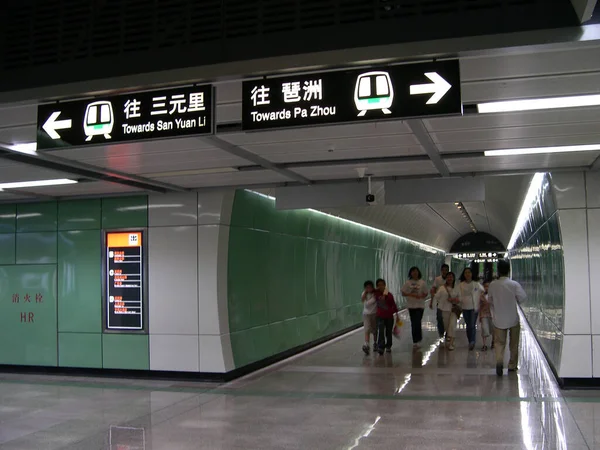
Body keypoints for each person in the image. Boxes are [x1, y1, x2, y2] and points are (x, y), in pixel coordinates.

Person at [488, 260, 527, 376]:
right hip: (513, 318)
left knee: (499, 343)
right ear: (509, 270)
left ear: (498, 271)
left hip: (498, 319)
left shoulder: (492, 284)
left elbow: (489, 300)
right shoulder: (514, 284)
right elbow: (523, 298)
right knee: (514, 344)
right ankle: (512, 365)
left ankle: (499, 361)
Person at [401, 266, 429, 349]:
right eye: (413, 272)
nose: (415, 273)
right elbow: (403, 293)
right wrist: (411, 294)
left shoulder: (422, 283)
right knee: (415, 322)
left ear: (418, 272)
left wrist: (422, 296)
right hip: (411, 306)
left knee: (418, 322)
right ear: (410, 273)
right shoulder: (408, 283)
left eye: (416, 271)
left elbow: (426, 293)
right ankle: (415, 340)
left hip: (420, 305)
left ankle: (418, 337)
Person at [434, 272, 461, 350]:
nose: (450, 278)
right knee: (446, 326)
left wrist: (455, 300)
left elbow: (460, 297)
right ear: (446, 278)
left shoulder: (457, 287)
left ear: (453, 278)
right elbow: (437, 297)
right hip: (444, 309)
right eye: (448, 277)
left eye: (451, 277)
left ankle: (451, 343)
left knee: (452, 326)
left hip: (454, 310)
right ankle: (448, 338)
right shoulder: (442, 288)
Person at [459, 268, 484, 351]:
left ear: (472, 274)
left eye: (469, 272)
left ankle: (472, 342)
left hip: (474, 307)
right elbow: (457, 294)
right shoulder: (461, 285)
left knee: (472, 325)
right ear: (464, 274)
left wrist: (481, 298)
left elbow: (483, 290)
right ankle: (470, 340)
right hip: (465, 307)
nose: (467, 274)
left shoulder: (476, 284)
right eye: (466, 273)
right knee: (468, 325)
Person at [375, 278, 398, 355]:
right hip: (380, 316)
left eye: (382, 285)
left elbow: (393, 304)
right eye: (379, 285)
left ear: (385, 285)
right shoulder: (376, 294)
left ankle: (388, 345)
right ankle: (381, 347)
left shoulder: (389, 295)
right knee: (381, 331)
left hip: (389, 316)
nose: (381, 286)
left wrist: (397, 314)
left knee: (388, 332)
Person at [430, 264, 449, 338]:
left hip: (449, 303)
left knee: (448, 318)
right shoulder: (437, 279)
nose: (444, 272)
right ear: (441, 271)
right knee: (439, 317)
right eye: (443, 270)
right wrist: (431, 301)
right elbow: (433, 290)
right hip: (440, 303)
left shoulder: (450, 278)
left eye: (446, 270)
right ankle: (441, 331)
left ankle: (448, 332)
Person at [361, 280, 378, 355]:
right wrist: (365, 293)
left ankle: (375, 343)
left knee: (374, 329)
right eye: (366, 287)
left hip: (374, 314)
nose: (368, 289)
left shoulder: (375, 293)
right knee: (367, 329)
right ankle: (366, 344)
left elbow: (385, 290)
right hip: (366, 314)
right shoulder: (364, 293)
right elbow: (362, 300)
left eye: (370, 287)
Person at [478, 281, 494, 351]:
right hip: (484, 314)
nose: (487, 288)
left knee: (493, 329)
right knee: (484, 329)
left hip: (492, 315)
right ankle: (484, 345)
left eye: (488, 286)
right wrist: (479, 316)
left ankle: (493, 342)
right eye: (485, 286)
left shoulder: (493, 296)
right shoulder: (481, 296)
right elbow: (479, 307)